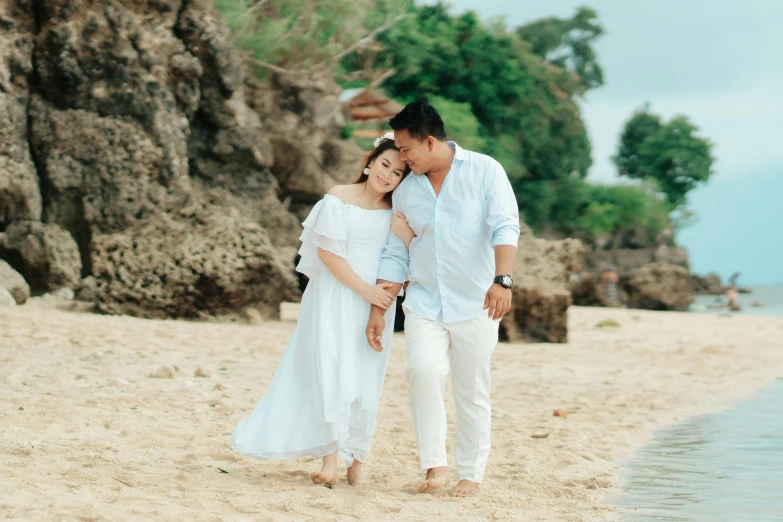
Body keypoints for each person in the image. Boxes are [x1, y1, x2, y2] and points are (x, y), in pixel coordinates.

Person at [230, 134, 413, 487]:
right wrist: (366, 291)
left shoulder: (396, 213)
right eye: (384, 164)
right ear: (370, 162)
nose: (388, 175)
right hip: (334, 294)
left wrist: (381, 295)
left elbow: (400, 258)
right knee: (331, 370)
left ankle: (357, 458)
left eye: (398, 172)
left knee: (366, 374)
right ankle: (330, 460)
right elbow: (328, 254)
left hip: (377, 303)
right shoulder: (338, 196)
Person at [366, 101, 520, 496]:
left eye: (405, 149)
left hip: (477, 301)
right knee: (423, 372)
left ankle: (470, 474)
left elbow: (505, 225)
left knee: (471, 389)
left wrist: (502, 280)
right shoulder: (407, 188)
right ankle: (434, 466)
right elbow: (395, 251)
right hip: (424, 301)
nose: (400, 157)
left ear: (429, 141)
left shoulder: (486, 171)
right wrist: (379, 308)